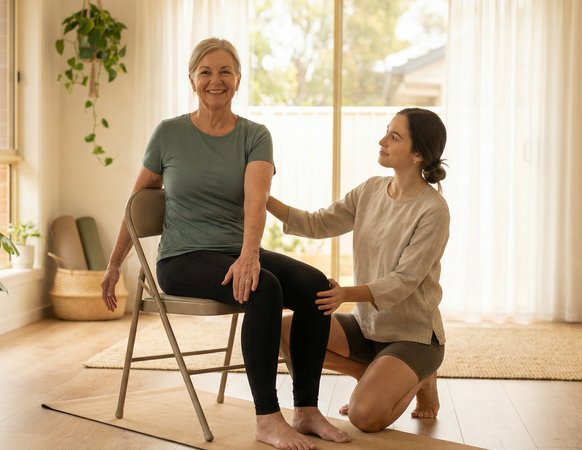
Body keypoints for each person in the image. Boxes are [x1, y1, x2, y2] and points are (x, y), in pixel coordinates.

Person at [100, 37, 350, 450]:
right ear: (192, 80)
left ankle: (305, 410)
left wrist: (250, 254)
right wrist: (113, 265)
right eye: (206, 72)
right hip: (182, 259)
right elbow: (136, 203)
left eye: (225, 72)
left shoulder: (255, 135)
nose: (215, 80)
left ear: (238, 80)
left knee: (316, 287)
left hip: (236, 252)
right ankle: (267, 419)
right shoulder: (168, 134)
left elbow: (256, 199)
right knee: (264, 287)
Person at [267, 107, 450, 433]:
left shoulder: (433, 210)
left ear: (418, 154)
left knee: (364, 417)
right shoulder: (370, 190)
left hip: (414, 337)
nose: (382, 141)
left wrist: (344, 294)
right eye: (386, 132)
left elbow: (403, 281)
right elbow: (318, 222)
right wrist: (262, 197)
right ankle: (375, 374)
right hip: (368, 327)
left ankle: (421, 378)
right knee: (282, 329)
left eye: (394, 137)